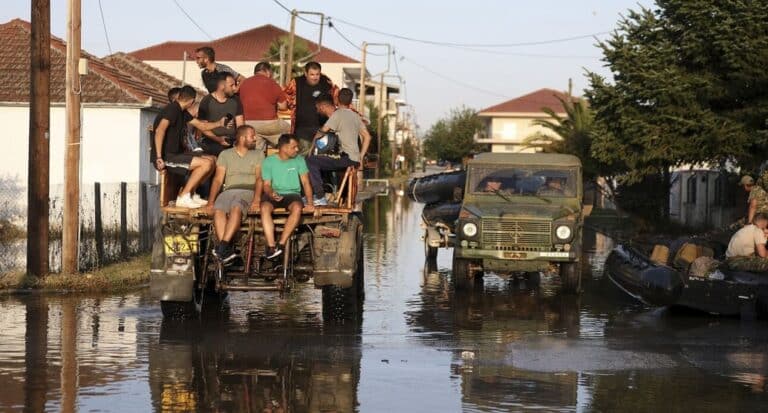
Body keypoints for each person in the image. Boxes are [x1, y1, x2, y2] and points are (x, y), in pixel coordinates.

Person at [152, 86, 225, 208]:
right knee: (205, 164)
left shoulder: (182, 112)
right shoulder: (172, 110)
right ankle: (183, 196)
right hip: (167, 157)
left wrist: (219, 123)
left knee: (212, 159)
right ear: (191, 101)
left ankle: (191, 193)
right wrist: (159, 157)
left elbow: (201, 126)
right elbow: (160, 130)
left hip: (178, 154)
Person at [206, 125, 264, 264]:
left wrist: (256, 200)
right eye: (252, 136)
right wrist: (210, 202)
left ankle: (223, 247)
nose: (255, 139)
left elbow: (259, 178)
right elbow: (218, 179)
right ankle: (224, 251)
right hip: (228, 190)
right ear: (242, 138)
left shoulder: (258, 154)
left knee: (236, 207)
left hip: (248, 190)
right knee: (219, 210)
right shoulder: (225, 154)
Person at [306, 91, 371, 205]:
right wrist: (361, 156)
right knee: (325, 160)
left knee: (311, 161)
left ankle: (320, 196)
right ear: (350, 101)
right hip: (354, 159)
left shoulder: (337, 114)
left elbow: (322, 132)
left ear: (336, 100)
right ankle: (329, 193)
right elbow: (367, 137)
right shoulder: (355, 116)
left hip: (345, 158)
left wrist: (312, 145)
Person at [260, 134, 315, 259]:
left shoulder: (299, 160)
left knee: (296, 208)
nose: (297, 149)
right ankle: (271, 246)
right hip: (274, 193)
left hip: (292, 194)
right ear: (284, 148)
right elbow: (267, 185)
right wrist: (271, 193)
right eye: (294, 147)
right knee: (264, 208)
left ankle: (281, 244)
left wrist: (310, 203)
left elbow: (306, 182)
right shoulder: (269, 161)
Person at [284, 61, 339, 154]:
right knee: (303, 158)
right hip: (302, 130)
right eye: (312, 74)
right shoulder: (296, 83)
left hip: (322, 129)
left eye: (317, 74)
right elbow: (285, 97)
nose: (315, 77)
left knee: (321, 158)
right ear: (306, 74)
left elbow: (338, 99)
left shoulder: (327, 83)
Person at [238, 61, 290, 147]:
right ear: (268, 72)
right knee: (289, 129)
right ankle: (282, 149)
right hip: (269, 123)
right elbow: (283, 106)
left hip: (248, 124)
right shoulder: (272, 83)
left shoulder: (244, 83)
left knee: (257, 148)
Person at [197, 72, 244, 156]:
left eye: (235, 85)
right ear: (222, 86)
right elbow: (202, 126)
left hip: (232, 142)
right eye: (231, 85)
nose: (235, 88)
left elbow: (240, 125)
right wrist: (219, 139)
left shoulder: (236, 100)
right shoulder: (207, 101)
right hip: (211, 141)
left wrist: (238, 141)